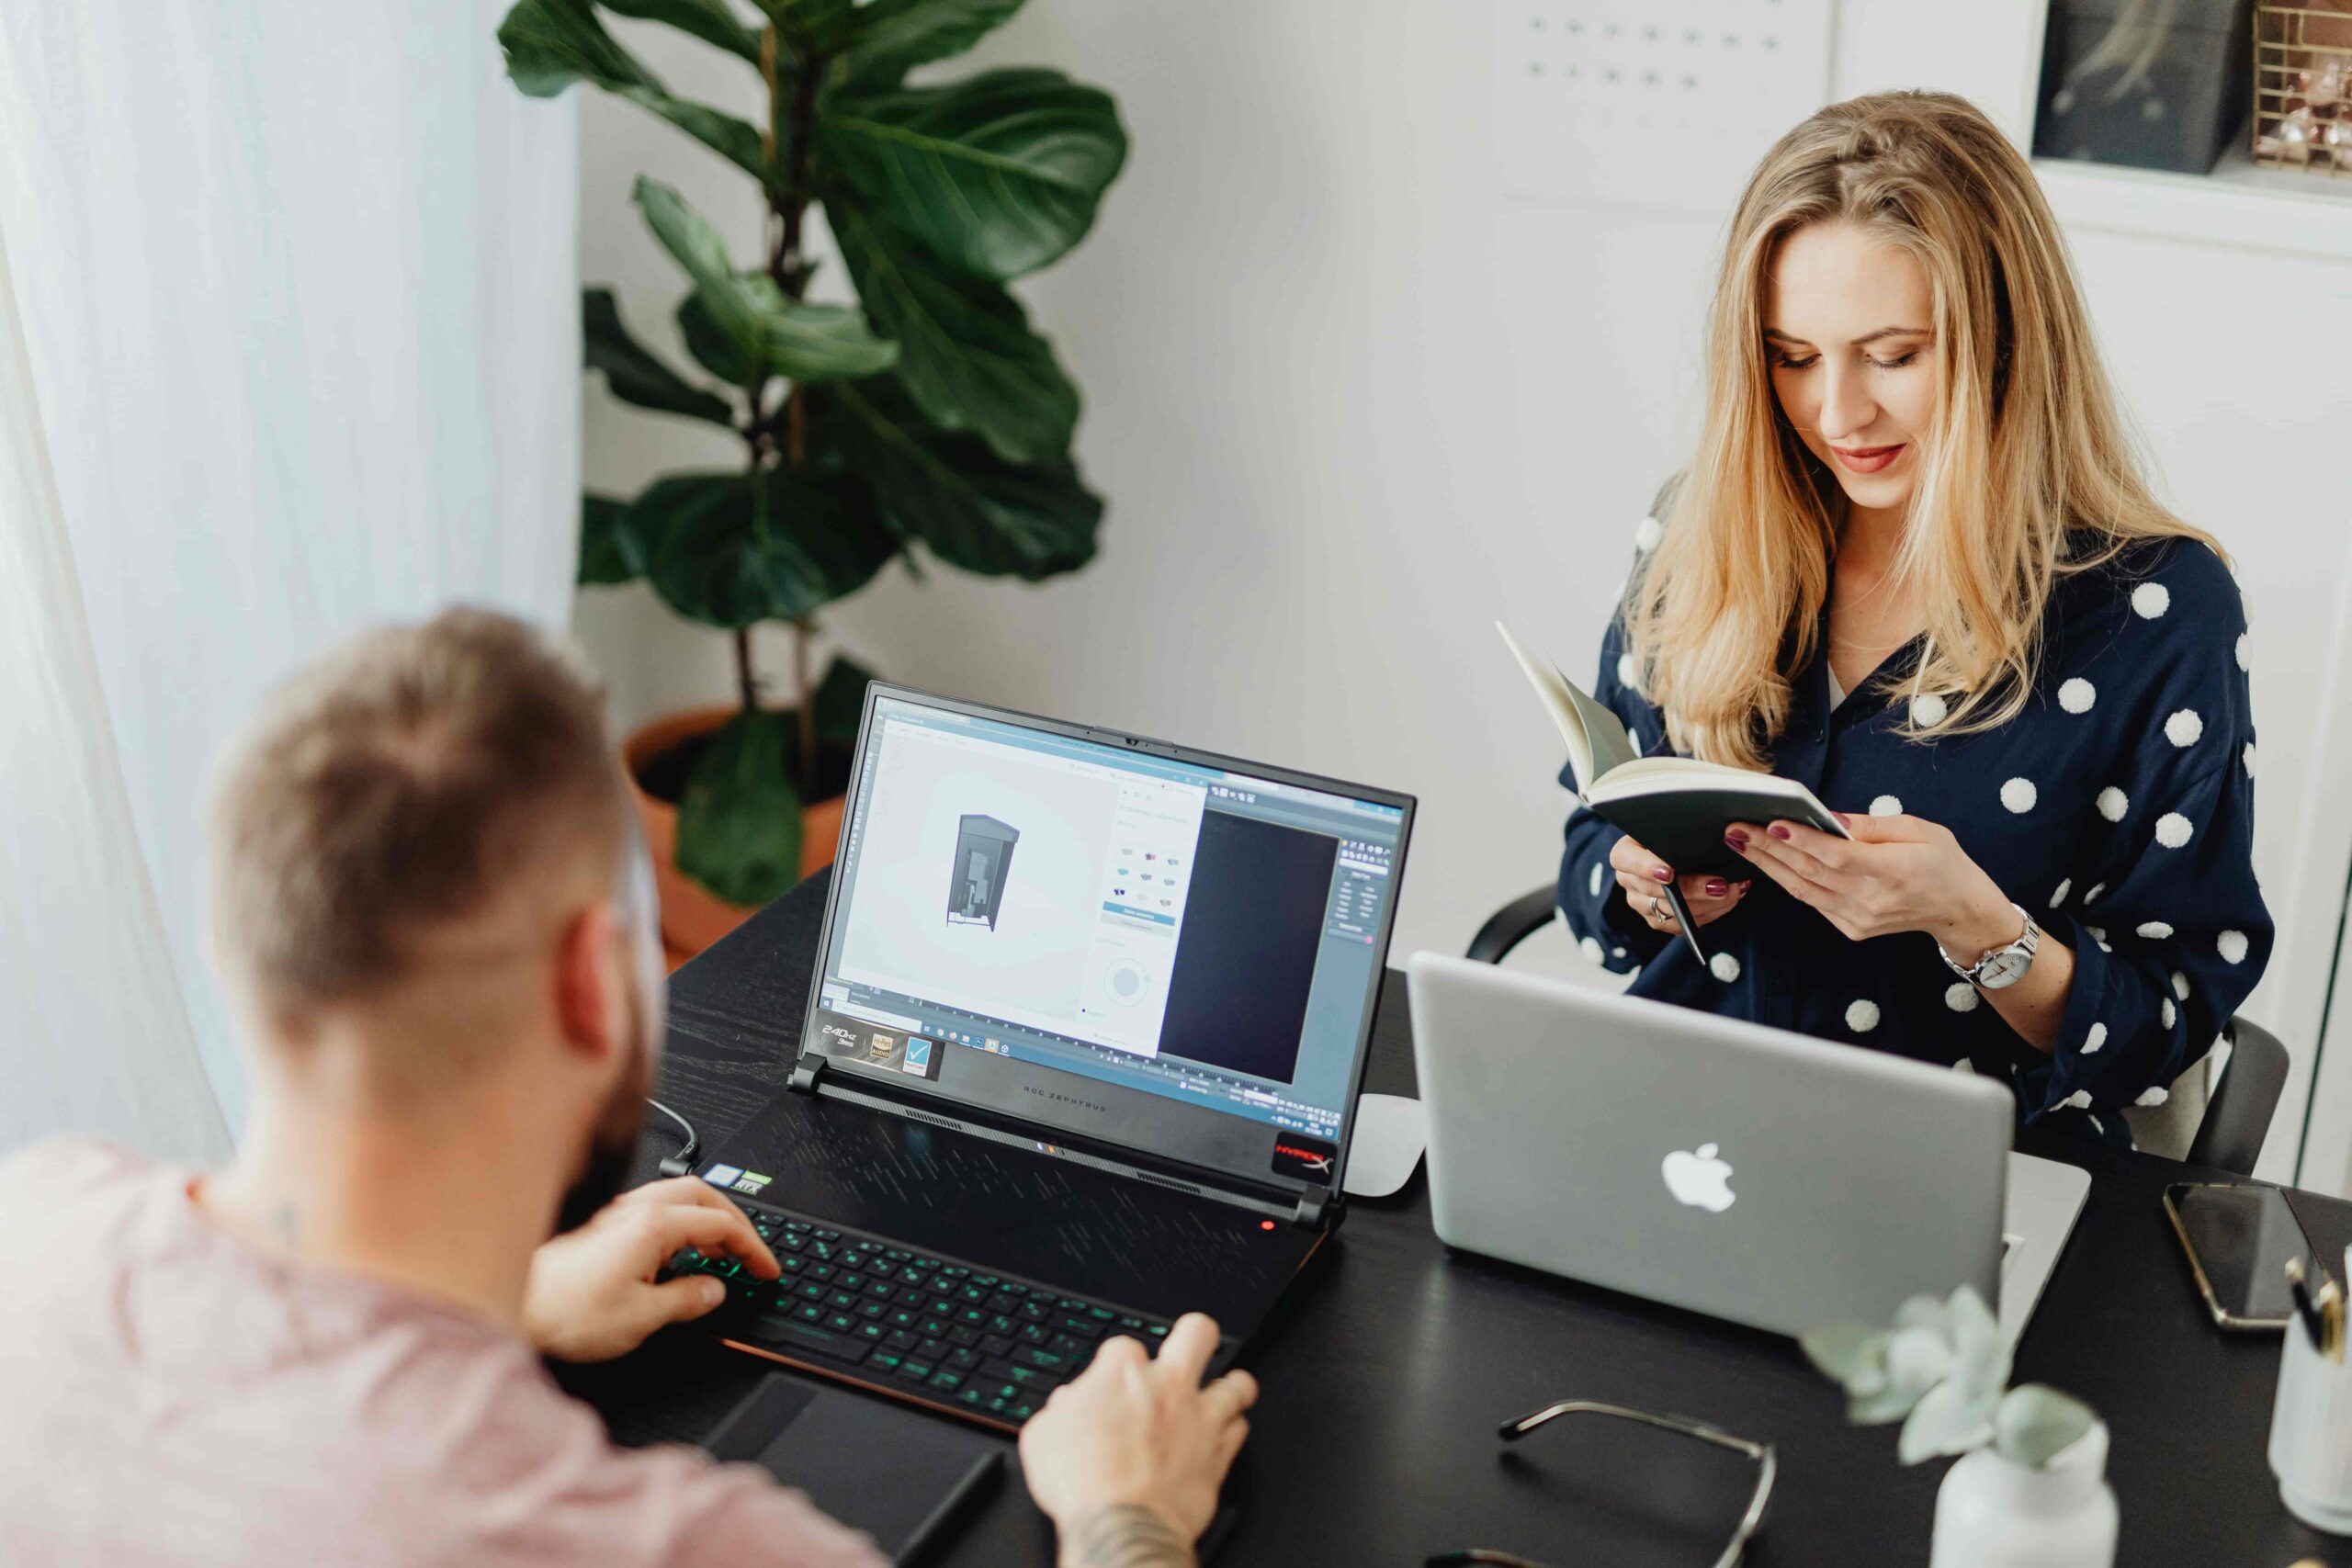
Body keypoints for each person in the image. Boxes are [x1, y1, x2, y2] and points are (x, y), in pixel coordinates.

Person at [0, 609, 1251, 1567]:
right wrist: (1125, 1512)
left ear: (232, 957)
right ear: (598, 982)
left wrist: (505, 1301)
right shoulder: (658, 1542)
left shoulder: (35, 1223)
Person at [1554, 91, 2271, 1145]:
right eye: (1791, 357)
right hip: (1680, 1137)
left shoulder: (2156, 610)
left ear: (2005, 343)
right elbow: (1587, 867)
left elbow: (2168, 1013)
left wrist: (1974, 925)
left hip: (1960, 1164)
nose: (1837, 414)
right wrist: (1648, 889)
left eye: (1892, 355)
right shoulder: (1700, 532)